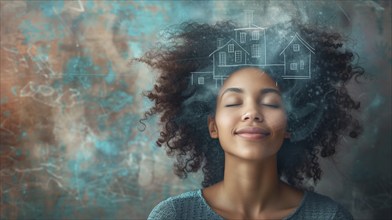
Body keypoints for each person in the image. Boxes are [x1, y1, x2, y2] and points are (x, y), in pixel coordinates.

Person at [139, 20, 364, 219]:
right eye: (234, 102)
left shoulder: (329, 217)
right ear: (213, 126)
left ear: (289, 124)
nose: (252, 113)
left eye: (270, 103)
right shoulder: (175, 216)